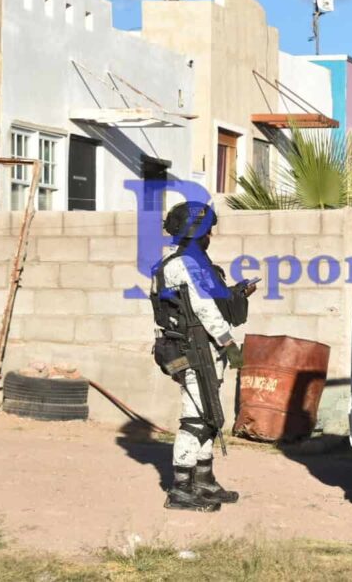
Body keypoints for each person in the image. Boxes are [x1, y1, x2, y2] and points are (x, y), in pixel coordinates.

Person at [150, 202, 254, 512]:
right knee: (196, 419)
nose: (211, 235)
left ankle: (204, 481)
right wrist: (229, 344)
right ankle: (181, 489)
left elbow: (208, 300)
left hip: (197, 349)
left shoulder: (178, 261)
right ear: (197, 232)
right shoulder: (185, 263)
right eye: (208, 230)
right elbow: (204, 309)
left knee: (208, 415)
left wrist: (235, 293)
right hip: (193, 351)